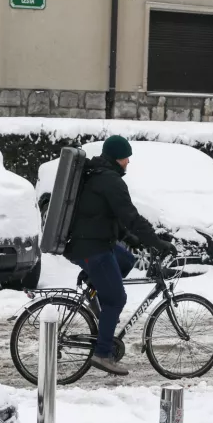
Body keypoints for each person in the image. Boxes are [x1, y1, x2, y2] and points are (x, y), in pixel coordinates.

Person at [63, 135, 177, 377]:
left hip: (91, 242)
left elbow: (110, 216)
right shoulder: (111, 181)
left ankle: (96, 287)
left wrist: (133, 240)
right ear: (117, 158)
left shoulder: (101, 175)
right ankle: (102, 354)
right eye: (126, 157)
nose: (128, 162)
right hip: (91, 248)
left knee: (126, 260)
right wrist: (155, 242)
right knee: (116, 299)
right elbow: (130, 216)